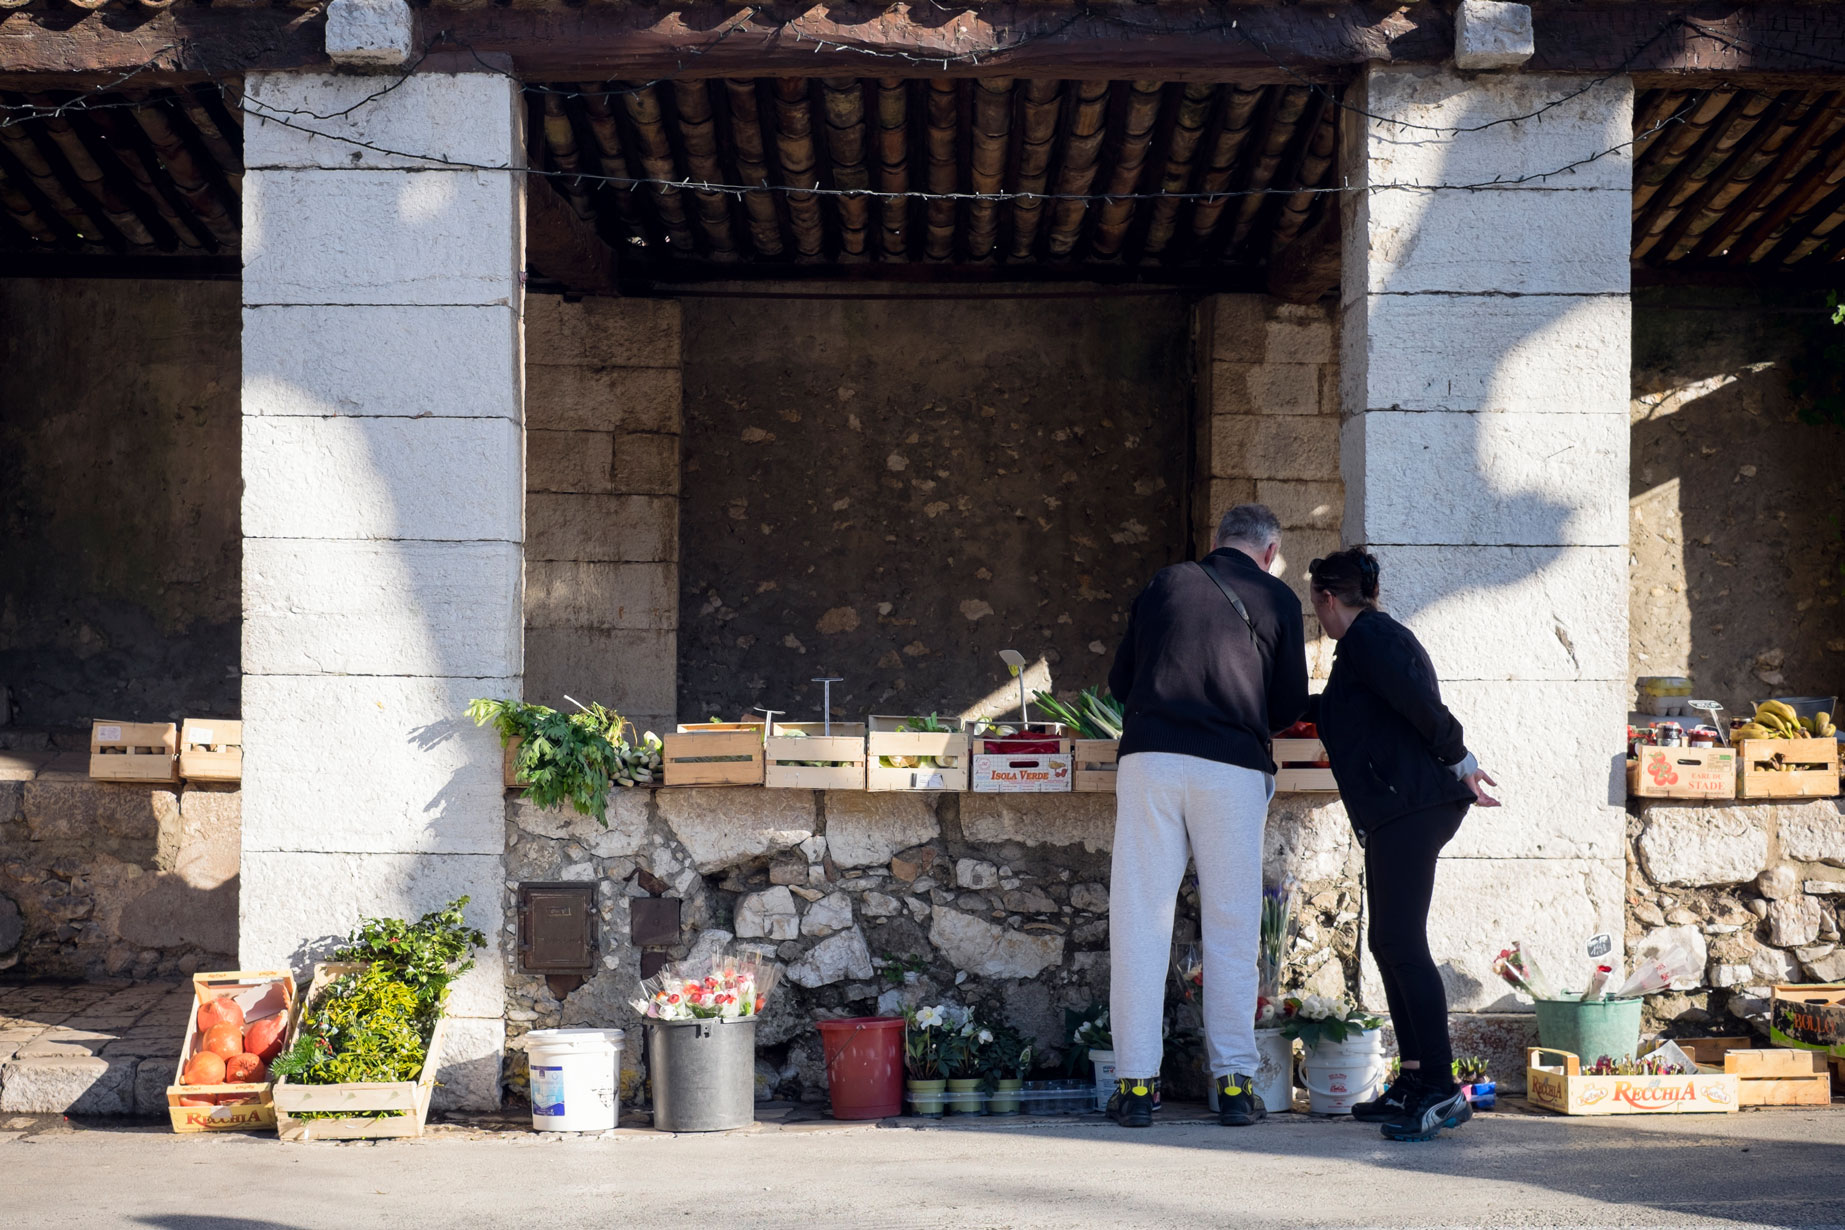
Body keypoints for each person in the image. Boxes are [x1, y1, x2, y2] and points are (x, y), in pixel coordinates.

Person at [1104, 504, 1309, 1128]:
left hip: (1152, 761)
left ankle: (1137, 1086)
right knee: (1232, 926)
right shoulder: (1277, 599)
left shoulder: (1166, 582)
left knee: (1139, 920)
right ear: (1269, 551)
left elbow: (1121, 681)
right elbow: (1290, 704)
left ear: (1215, 542)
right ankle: (1236, 1086)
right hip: (1232, 769)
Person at [1305, 547, 1500, 1143]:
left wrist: (1459, 756)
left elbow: (1422, 705)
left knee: (1401, 942)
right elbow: (1349, 712)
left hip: (1413, 805)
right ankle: (1415, 1078)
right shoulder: (1366, 641)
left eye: (1316, 604)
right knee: (1389, 941)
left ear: (1326, 599)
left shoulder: (1371, 640)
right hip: (1402, 806)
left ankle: (1441, 1091)